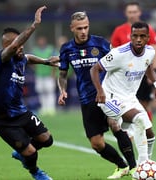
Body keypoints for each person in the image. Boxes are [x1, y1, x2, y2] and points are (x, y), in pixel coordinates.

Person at [58, 11, 137, 179]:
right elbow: (63, 74)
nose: (83, 31)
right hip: (87, 99)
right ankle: (121, 165)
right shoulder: (66, 49)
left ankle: (134, 167)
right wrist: (62, 90)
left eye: (86, 27)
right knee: (96, 143)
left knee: (115, 124)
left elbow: (118, 64)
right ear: (72, 28)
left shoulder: (101, 44)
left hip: (108, 94)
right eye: (79, 28)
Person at [0, 6, 59, 180]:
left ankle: (21, 153)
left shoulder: (21, 58)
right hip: (2, 120)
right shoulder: (1, 60)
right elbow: (14, 47)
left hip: (20, 112)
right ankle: (36, 172)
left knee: (47, 140)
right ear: (7, 47)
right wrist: (34, 25)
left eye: (21, 44)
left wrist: (46, 62)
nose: (19, 47)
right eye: (15, 45)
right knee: (31, 153)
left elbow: (29, 57)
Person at [90, 22, 156, 177]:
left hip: (129, 97)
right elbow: (94, 69)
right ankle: (141, 167)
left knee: (149, 132)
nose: (138, 39)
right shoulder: (119, 53)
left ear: (148, 38)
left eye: (142, 36)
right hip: (109, 98)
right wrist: (100, 91)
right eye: (135, 36)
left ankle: (147, 164)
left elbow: (148, 66)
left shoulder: (150, 52)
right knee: (139, 120)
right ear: (130, 36)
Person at [110, 1, 156, 163]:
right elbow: (113, 53)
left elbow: (154, 51)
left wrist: (152, 74)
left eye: (135, 11)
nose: (132, 14)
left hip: (142, 75)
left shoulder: (149, 30)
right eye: (130, 12)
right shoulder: (119, 31)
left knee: (144, 106)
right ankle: (132, 133)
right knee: (127, 107)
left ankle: (143, 133)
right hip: (124, 79)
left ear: (139, 13)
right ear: (126, 14)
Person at [32, 35, 57, 116]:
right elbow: (30, 61)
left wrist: (53, 73)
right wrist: (35, 69)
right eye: (40, 40)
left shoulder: (50, 49)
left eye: (42, 40)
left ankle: (51, 109)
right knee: (41, 92)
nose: (41, 42)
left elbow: (55, 61)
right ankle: (44, 108)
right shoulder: (35, 51)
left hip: (48, 75)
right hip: (39, 75)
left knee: (50, 91)